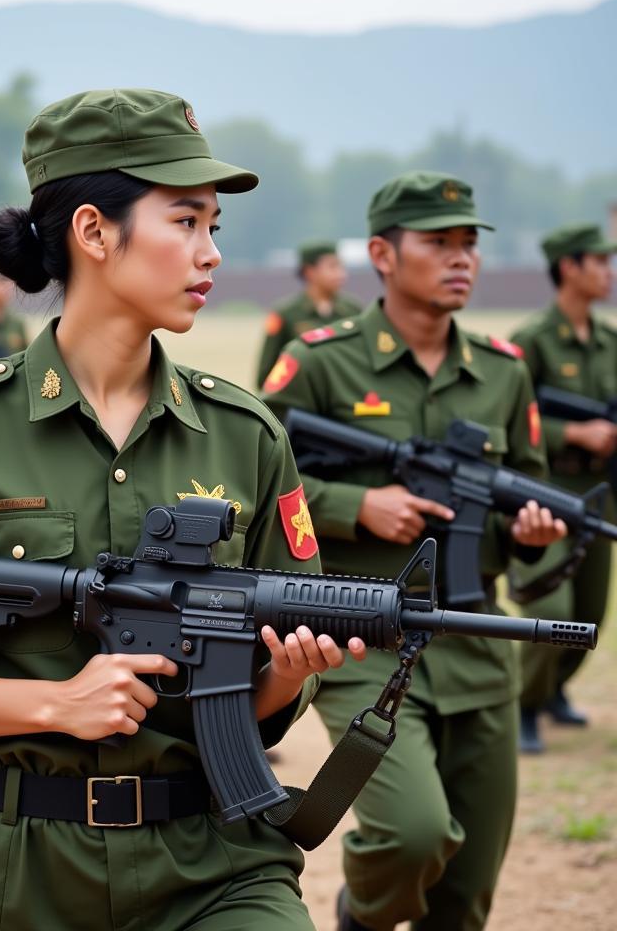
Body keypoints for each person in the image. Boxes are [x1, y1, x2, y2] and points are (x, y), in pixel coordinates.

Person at [0, 88, 366, 931]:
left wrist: (285, 678)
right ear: (93, 231)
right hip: (14, 868)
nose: (210, 254)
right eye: (184, 222)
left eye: (214, 229)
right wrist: (54, 704)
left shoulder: (246, 435)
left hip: (216, 862)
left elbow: (255, 706)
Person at [264, 171, 566, 931]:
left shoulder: (502, 369)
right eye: (439, 242)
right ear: (383, 254)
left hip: (477, 641)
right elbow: (259, 481)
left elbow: (524, 492)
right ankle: (361, 916)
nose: (461, 258)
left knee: (466, 891)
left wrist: (530, 533)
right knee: (412, 836)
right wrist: (353, 505)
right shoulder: (320, 361)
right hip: (362, 638)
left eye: (468, 244)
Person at [508, 222, 617, 753]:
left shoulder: (608, 341)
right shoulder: (533, 341)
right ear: (568, 267)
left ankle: (553, 691)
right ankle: (524, 705)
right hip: (546, 487)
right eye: (599, 261)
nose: (608, 271)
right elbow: (513, 417)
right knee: (552, 602)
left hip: (598, 490)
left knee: (592, 607)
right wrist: (571, 431)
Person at [256, 239, 361, 390]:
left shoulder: (353, 310)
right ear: (309, 271)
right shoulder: (286, 313)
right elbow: (267, 373)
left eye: (341, 267)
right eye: (332, 267)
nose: (341, 274)